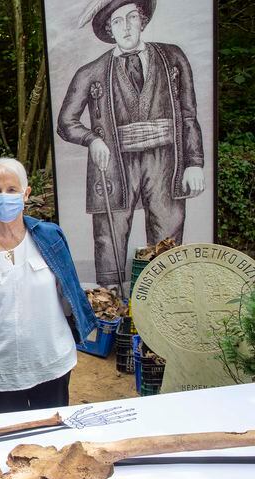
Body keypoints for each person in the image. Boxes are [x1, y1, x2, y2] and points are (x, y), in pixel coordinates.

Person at [57, 0, 204, 287]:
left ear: (143, 20)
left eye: (131, 17)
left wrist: (194, 163)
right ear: (110, 31)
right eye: (116, 21)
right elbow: (65, 122)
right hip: (114, 166)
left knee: (167, 241)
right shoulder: (91, 72)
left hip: (165, 162)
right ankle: (111, 313)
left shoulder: (173, 58)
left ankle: (163, 308)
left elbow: (188, 114)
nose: (125, 27)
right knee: (109, 240)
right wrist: (92, 139)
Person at [0, 158, 96, 414]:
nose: (4, 197)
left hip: (51, 361)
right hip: (1, 369)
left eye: (12, 190)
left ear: (26, 194)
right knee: (14, 442)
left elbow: (69, 291)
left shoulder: (50, 237)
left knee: (52, 435)